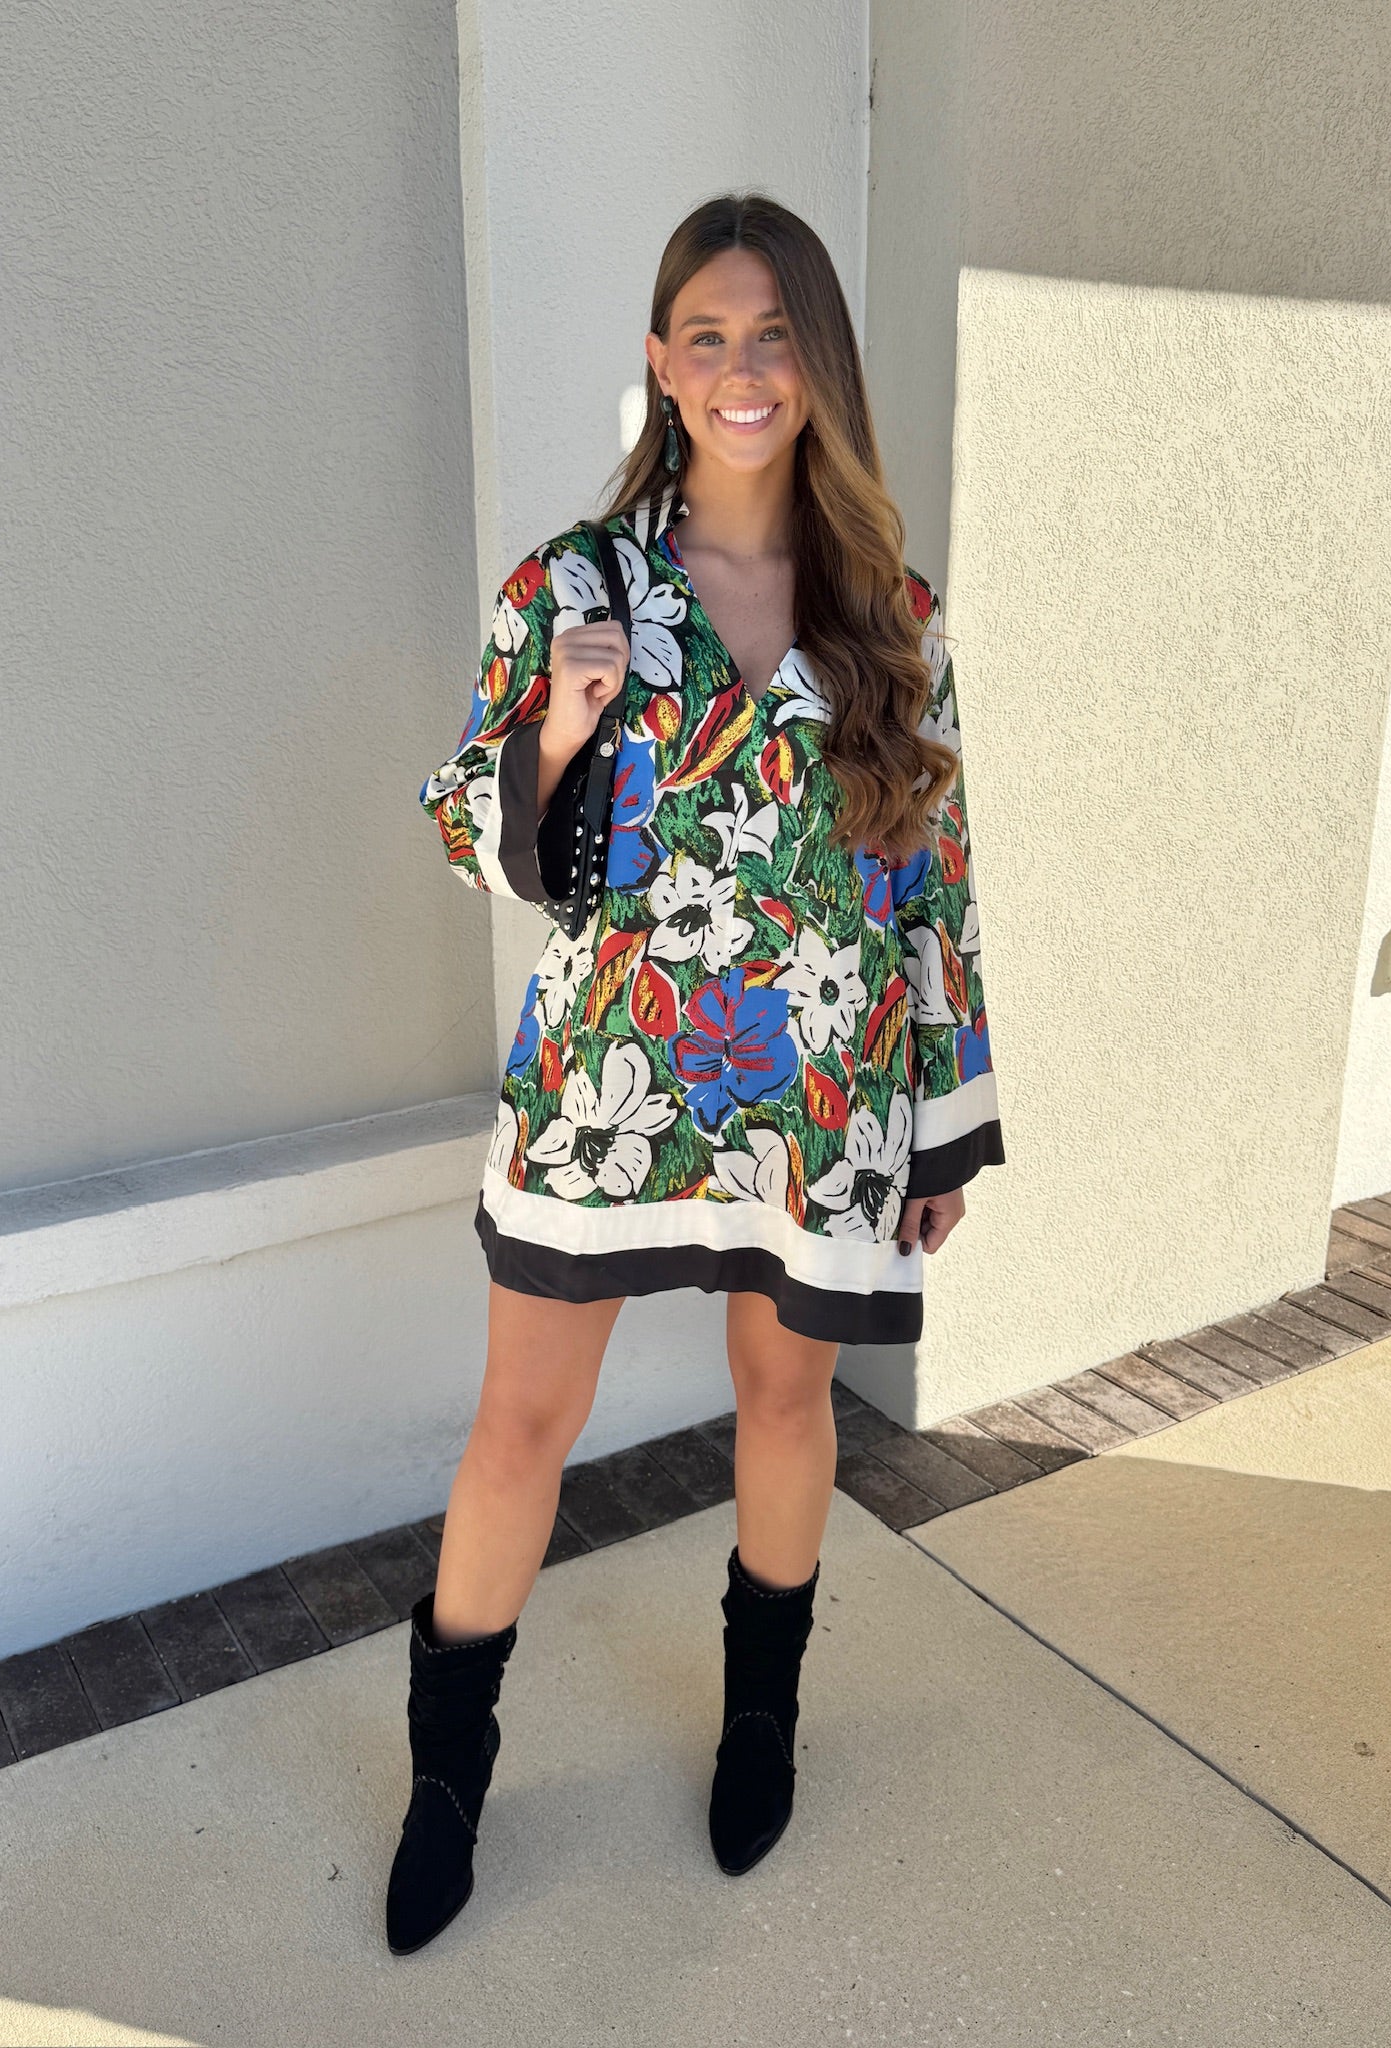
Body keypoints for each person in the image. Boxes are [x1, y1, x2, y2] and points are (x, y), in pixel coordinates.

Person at [386, 190, 1006, 1955]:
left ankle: (760, 1726)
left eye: (776, 334)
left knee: (787, 1404)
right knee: (522, 1425)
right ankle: (445, 1784)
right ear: (660, 365)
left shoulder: (890, 606)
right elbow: (468, 829)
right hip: (607, 1095)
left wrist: (941, 1121)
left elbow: (932, 877)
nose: (743, 368)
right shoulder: (575, 586)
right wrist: (556, 731)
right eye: (709, 336)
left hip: (814, 1106)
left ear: (817, 366)